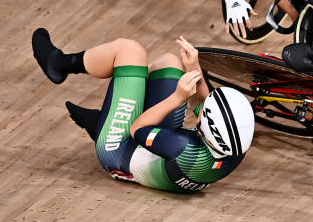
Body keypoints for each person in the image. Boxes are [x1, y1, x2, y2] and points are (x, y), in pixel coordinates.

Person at [31, 28, 253, 193]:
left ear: (208, 131)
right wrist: (194, 68)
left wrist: (177, 98)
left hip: (118, 150)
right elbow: (206, 103)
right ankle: (108, 115)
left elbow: (138, 128)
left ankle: (59, 64)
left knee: (129, 51)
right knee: (170, 63)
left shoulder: (184, 149)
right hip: (157, 150)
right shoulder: (234, 146)